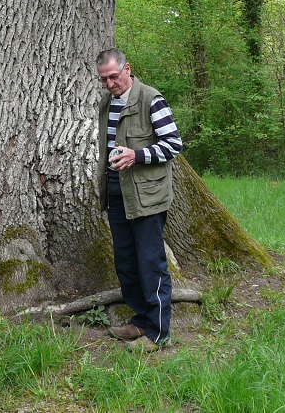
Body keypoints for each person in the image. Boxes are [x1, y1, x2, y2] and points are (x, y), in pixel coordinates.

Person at [95, 48, 183, 352]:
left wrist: (137, 155)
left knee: (150, 263)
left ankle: (159, 332)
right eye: (103, 79)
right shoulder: (107, 103)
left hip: (147, 196)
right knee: (126, 263)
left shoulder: (150, 99)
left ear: (127, 69)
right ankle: (140, 321)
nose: (109, 84)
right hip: (117, 195)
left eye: (113, 77)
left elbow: (173, 144)